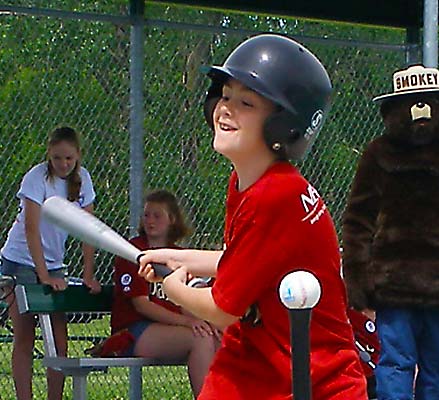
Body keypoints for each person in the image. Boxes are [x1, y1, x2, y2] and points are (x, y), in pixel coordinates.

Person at [138, 34, 367, 399]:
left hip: (312, 379)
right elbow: (247, 262)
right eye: (225, 96)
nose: (226, 109)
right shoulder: (251, 184)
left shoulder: (274, 196)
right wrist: (177, 257)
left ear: (284, 126)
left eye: (246, 102)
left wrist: (173, 287)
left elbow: (223, 309)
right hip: (258, 362)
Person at [342, 64, 439, 400]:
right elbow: (358, 220)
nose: (420, 113)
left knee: (424, 364)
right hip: (402, 284)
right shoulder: (379, 153)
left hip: (435, 285)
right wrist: (358, 279)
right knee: (402, 363)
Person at [0, 126, 101, 400]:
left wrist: (88, 274)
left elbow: (88, 229)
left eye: (69, 158)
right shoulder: (36, 178)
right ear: (49, 155)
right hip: (20, 260)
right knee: (25, 334)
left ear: (78, 155)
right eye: (57, 158)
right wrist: (43, 276)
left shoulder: (83, 180)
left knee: (58, 338)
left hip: (54, 263)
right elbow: (31, 229)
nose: (63, 164)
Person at [111, 190, 219, 397]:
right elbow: (142, 305)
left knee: (215, 337)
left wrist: (206, 323)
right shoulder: (134, 251)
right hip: (133, 330)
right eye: (146, 215)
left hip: (169, 327)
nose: (150, 221)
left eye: (157, 215)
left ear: (172, 219)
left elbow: (185, 302)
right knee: (200, 340)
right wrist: (187, 323)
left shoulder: (176, 255)